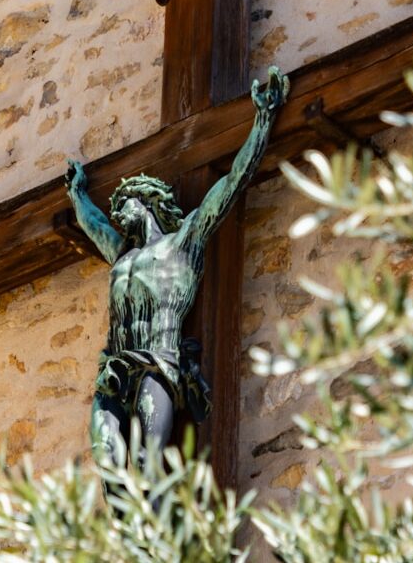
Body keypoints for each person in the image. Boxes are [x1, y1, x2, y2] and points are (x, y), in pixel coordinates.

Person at [65, 66, 290, 477]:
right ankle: (127, 537)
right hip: (114, 370)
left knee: (148, 463)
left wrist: (261, 123)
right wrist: (77, 193)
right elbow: (94, 225)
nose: (117, 215)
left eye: (124, 205)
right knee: (107, 462)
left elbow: (231, 186)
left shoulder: (183, 243)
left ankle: (152, 536)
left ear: (147, 201)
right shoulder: (122, 255)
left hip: (159, 363)